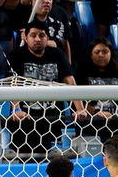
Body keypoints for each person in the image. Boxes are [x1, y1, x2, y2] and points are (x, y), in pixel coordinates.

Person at [6, 20, 82, 155]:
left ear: (47, 38)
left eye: (42, 35)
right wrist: (16, 109)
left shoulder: (57, 54)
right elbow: (14, 83)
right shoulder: (17, 55)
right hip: (25, 121)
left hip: (52, 119)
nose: (37, 39)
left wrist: (80, 109)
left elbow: (70, 81)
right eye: (33, 35)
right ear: (26, 38)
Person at [74, 38, 118, 143]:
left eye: (105, 52)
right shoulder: (82, 73)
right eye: (97, 52)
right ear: (91, 55)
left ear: (111, 54)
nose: (101, 55)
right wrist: (97, 112)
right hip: (93, 122)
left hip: (117, 121)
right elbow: (79, 99)